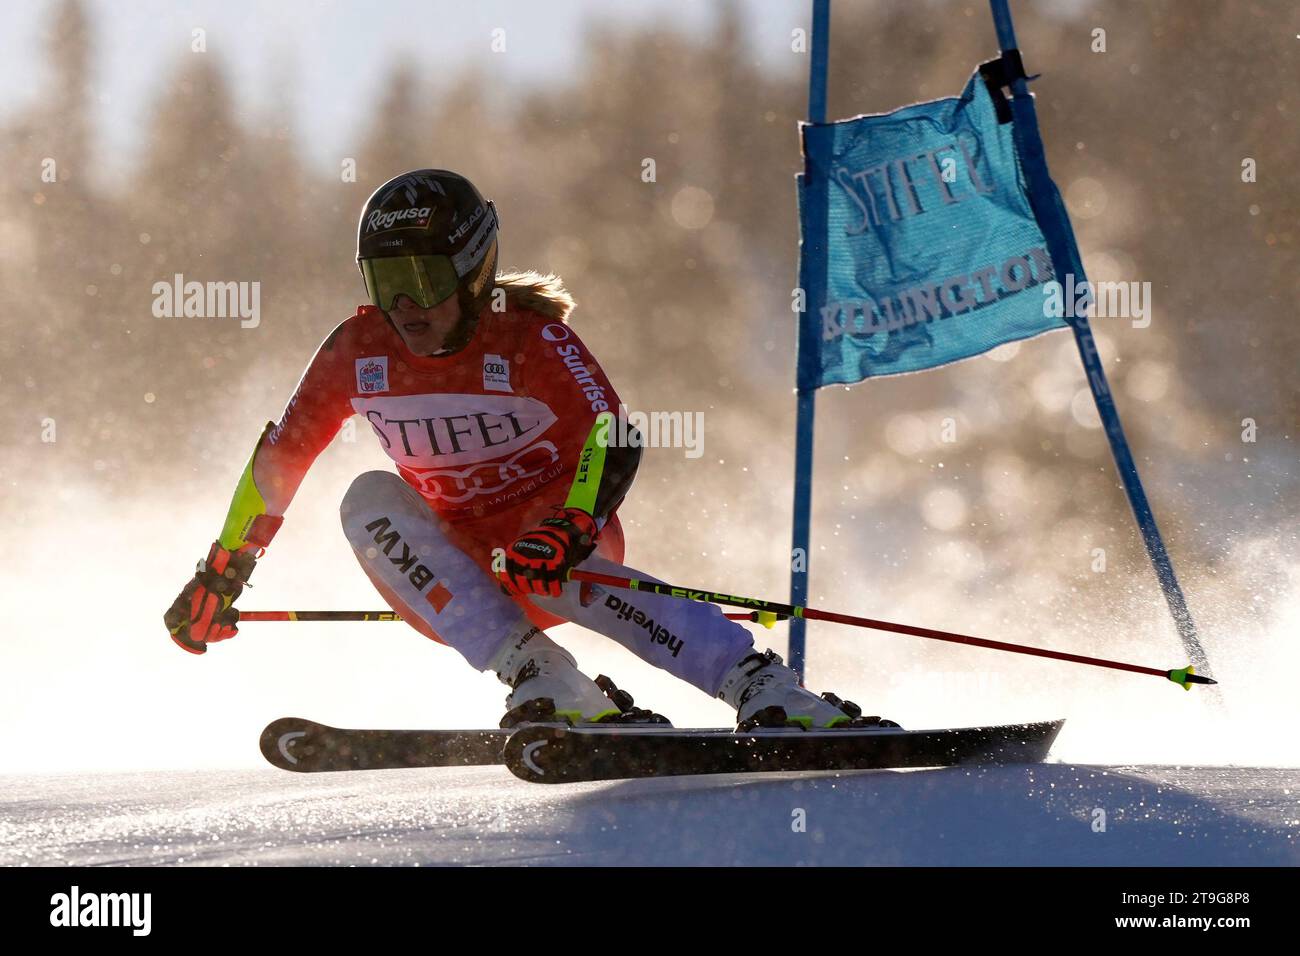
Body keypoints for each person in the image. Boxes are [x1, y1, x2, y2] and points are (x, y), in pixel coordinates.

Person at [164, 168, 892, 731]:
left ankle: (761, 684)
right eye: (387, 283)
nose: (407, 309)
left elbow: (613, 433)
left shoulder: (529, 339)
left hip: (553, 544)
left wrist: (571, 525)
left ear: (473, 270)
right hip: (455, 577)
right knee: (366, 498)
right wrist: (223, 571)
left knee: (540, 567)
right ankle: (544, 676)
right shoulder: (358, 349)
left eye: (424, 280)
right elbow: (280, 463)